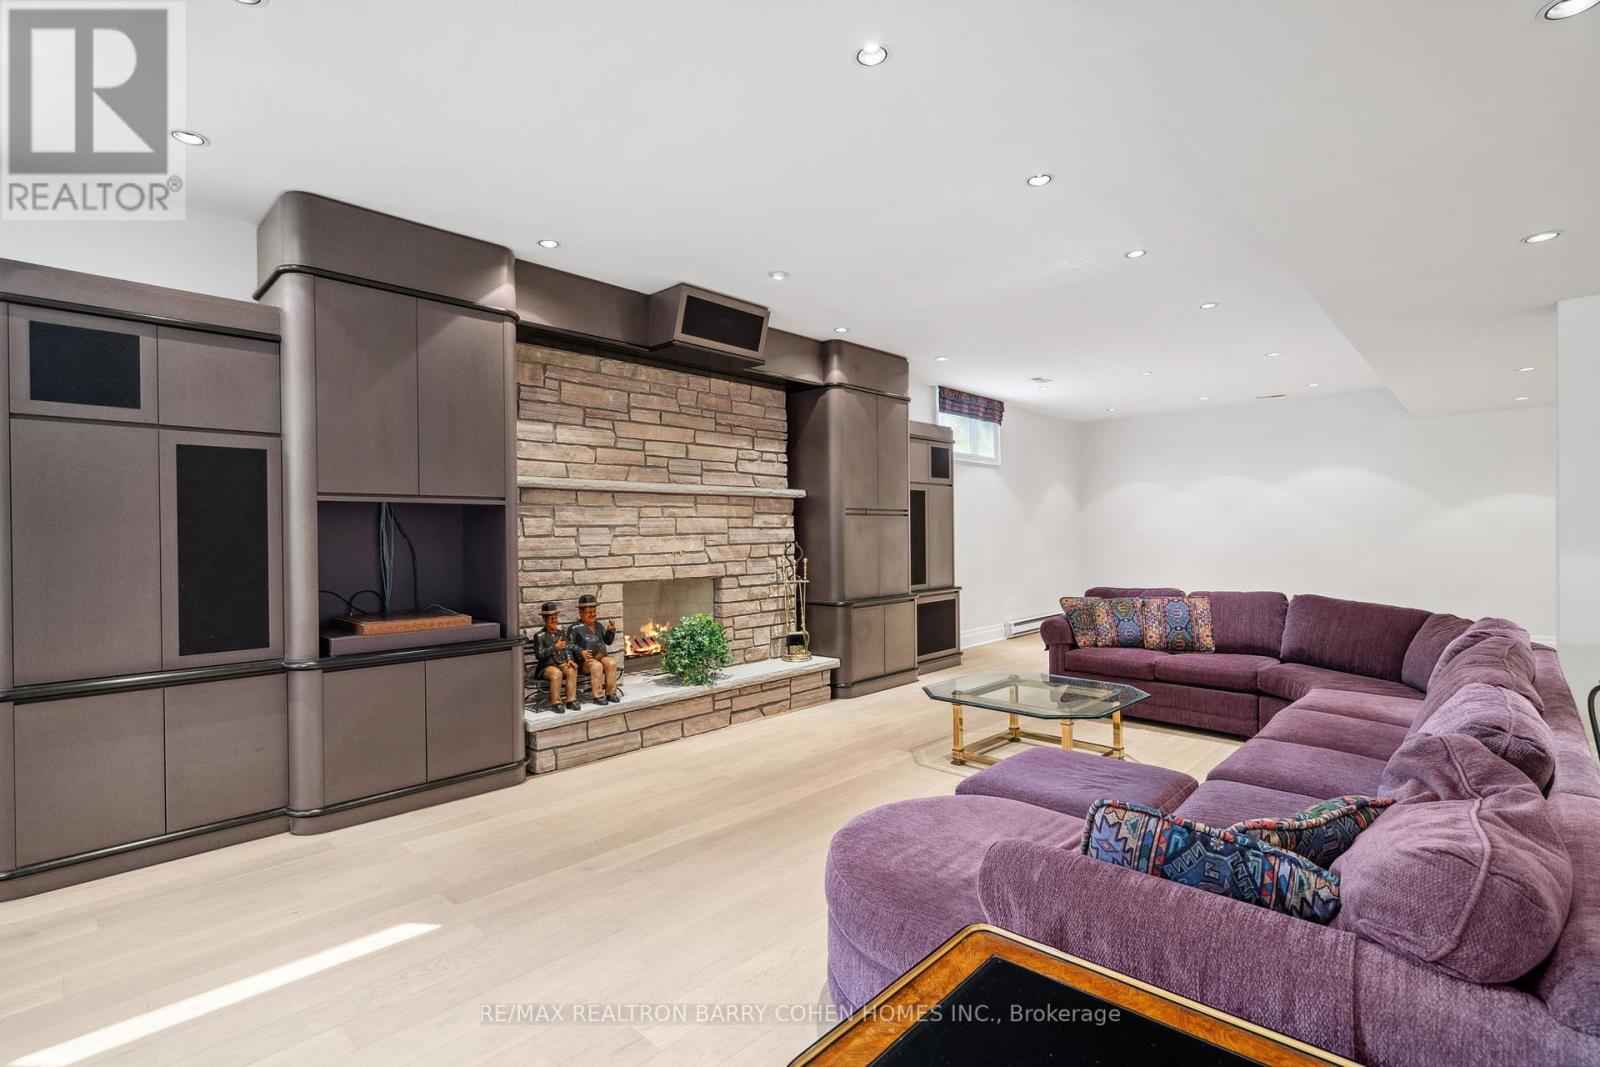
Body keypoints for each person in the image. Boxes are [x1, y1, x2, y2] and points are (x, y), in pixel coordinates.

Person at [569, 593, 621, 705]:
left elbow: (608, 641)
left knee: (611, 663)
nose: (593, 614)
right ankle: (597, 696)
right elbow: (568, 645)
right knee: (597, 666)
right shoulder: (574, 628)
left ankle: (610, 693)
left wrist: (611, 630)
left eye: (594, 611)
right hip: (585, 661)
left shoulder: (598, 625)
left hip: (601, 656)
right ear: (581, 613)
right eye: (589, 612)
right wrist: (580, 651)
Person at [532, 602, 580, 712]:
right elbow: (540, 655)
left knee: (571, 670)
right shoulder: (539, 636)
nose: (554, 620)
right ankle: (556, 703)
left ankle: (571, 700)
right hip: (546, 666)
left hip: (560, 663)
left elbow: (567, 647)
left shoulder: (560, 633)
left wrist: (569, 660)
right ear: (544, 619)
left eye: (555, 617)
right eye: (551, 618)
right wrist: (554, 647)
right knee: (556, 673)